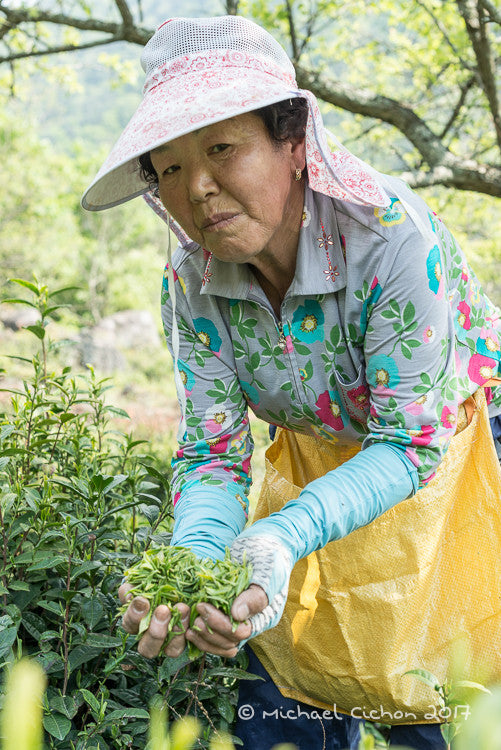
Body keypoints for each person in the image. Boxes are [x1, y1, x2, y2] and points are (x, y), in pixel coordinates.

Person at [82, 15, 501, 750]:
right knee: (287, 692)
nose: (199, 188)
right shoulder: (193, 285)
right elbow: (212, 454)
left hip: (458, 449)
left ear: (294, 144)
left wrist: (282, 531)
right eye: (170, 167)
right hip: (319, 456)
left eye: (221, 148)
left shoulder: (391, 236)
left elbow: (408, 440)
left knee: (439, 687)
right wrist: (193, 566)